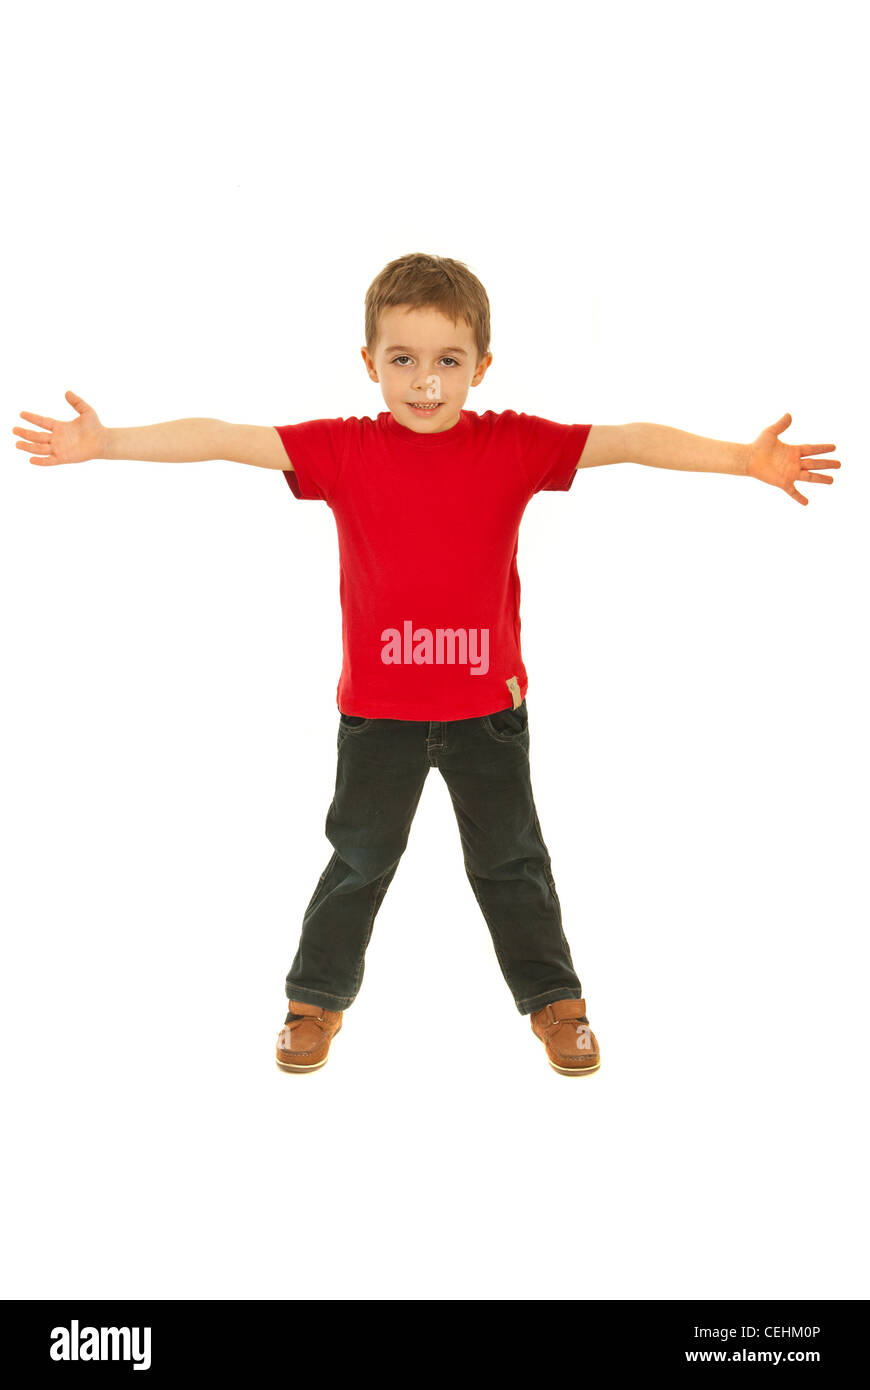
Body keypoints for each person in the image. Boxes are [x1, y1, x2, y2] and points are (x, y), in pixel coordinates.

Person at [13, 252, 840, 1077]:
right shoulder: (342, 451)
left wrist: (745, 459)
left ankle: (557, 1003)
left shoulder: (514, 445)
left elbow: (626, 441)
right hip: (379, 719)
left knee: (513, 863)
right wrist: (108, 441)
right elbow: (227, 439)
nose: (425, 382)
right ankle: (315, 1001)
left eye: (448, 361)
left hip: (489, 716)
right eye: (402, 359)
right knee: (360, 861)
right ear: (369, 363)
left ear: (480, 366)